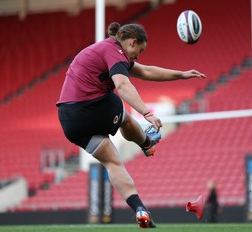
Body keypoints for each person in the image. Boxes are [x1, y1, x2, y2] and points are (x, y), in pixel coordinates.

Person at [56, 22, 206, 228]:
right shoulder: (115, 51)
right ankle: (146, 143)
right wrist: (146, 113)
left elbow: (147, 71)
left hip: (68, 121)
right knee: (123, 112)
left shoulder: (106, 50)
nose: (137, 56)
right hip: (88, 107)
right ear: (132, 42)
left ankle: (140, 209)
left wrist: (181, 74)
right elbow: (123, 85)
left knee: (113, 163)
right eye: (139, 50)